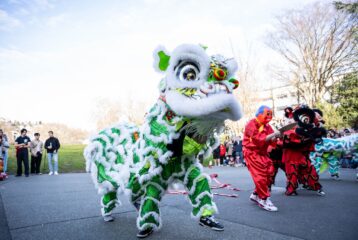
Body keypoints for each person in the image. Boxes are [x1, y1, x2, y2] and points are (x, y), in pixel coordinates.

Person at [243, 105, 280, 212]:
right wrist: (273, 135)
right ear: (259, 114)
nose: (269, 116)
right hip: (252, 153)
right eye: (267, 114)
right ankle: (264, 199)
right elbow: (258, 140)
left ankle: (255, 194)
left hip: (262, 153)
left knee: (270, 172)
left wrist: (277, 136)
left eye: (270, 114)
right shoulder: (251, 124)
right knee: (260, 176)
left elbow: (271, 140)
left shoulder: (268, 127)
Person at [282, 105, 325, 196]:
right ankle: (291, 189)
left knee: (310, 170)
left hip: (302, 154)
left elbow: (318, 126)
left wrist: (313, 135)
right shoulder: (291, 123)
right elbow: (287, 136)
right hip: (291, 154)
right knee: (292, 173)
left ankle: (316, 187)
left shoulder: (310, 123)